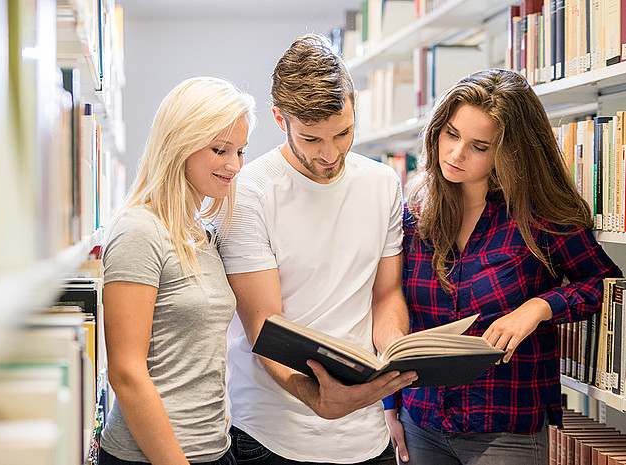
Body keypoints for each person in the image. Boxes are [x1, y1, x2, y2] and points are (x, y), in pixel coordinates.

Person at [385, 68, 622, 465]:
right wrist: (390, 406)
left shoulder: (540, 217)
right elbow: (399, 317)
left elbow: (601, 283)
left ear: (509, 152)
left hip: (504, 427)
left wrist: (538, 308)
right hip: (420, 418)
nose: (456, 154)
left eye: (479, 146)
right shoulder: (415, 216)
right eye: (451, 134)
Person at [216, 33, 418, 465]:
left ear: (354, 106)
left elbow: (385, 295)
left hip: (367, 435)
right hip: (273, 435)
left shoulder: (383, 184)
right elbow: (263, 325)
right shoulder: (248, 193)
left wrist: (392, 353)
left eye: (343, 133)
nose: (331, 154)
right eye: (311, 140)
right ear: (279, 118)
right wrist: (317, 399)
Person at [99, 76, 255, 465]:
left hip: (214, 449)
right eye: (221, 149)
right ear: (180, 143)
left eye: (240, 151)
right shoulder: (140, 230)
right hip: (152, 457)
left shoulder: (203, 233)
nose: (234, 165)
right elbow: (126, 372)